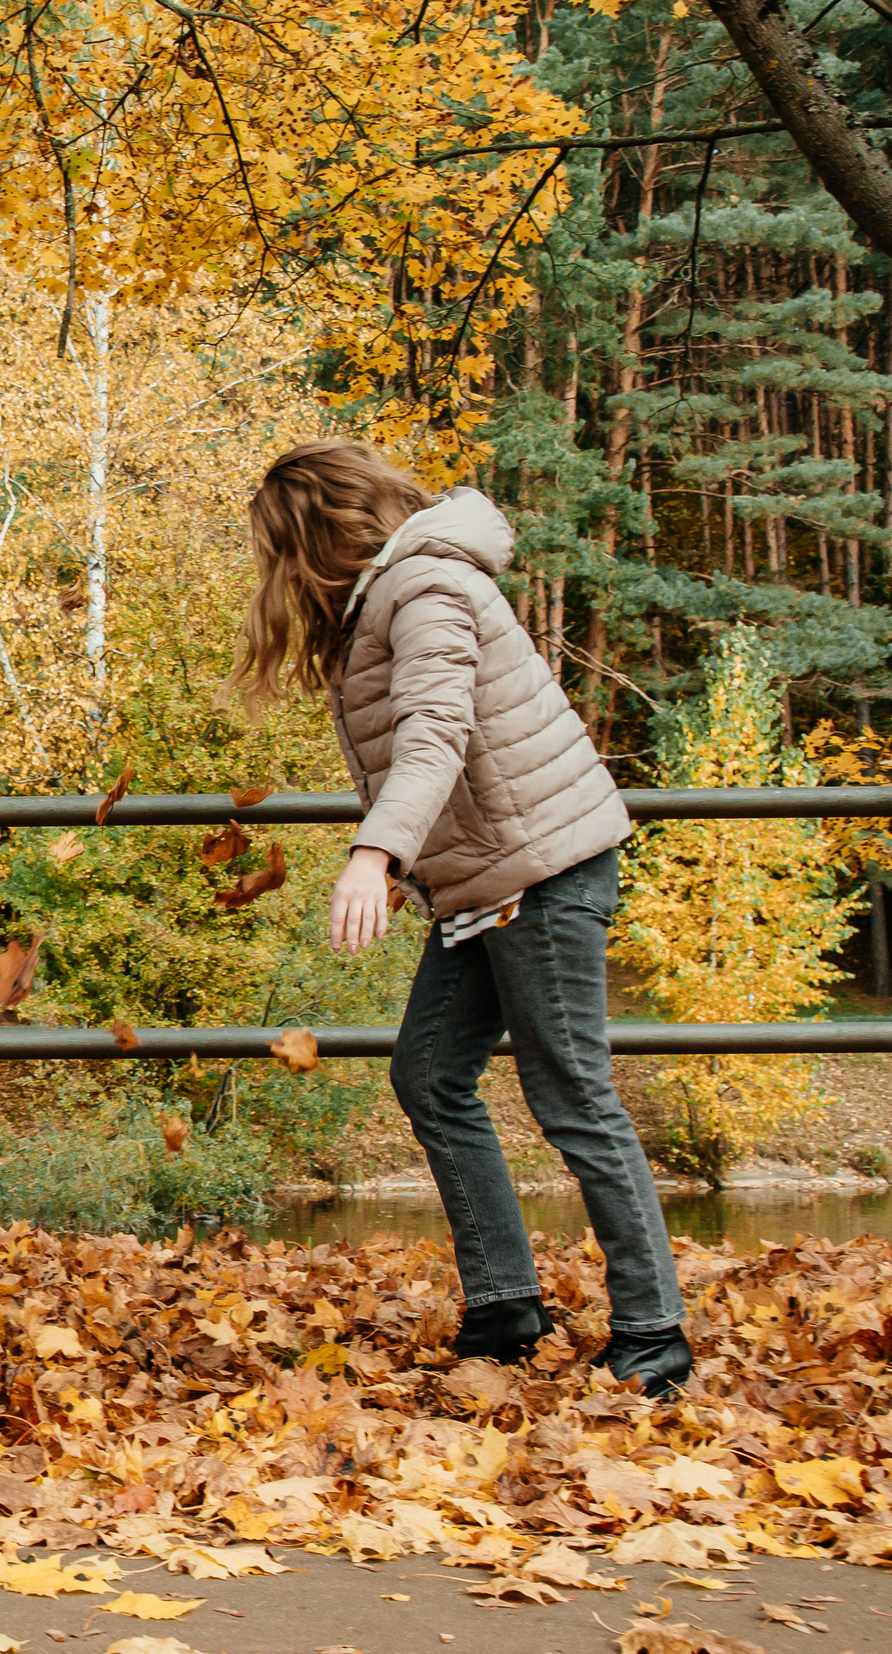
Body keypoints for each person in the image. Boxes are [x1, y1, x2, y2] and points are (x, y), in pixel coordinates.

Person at [234, 440, 692, 1397]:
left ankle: (654, 1334)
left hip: (544, 873)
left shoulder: (427, 588)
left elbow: (437, 733)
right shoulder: (396, 593)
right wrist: (418, 861)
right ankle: (506, 1304)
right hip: (489, 879)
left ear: (315, 535)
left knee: (574, 1097)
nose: (270, 575)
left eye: (275, 550)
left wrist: (376, 852)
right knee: (431, 1072)